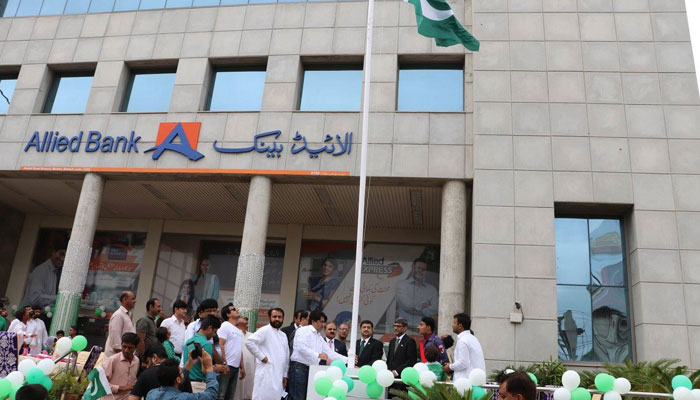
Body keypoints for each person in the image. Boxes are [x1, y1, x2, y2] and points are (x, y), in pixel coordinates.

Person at [290, 310, 347, 400]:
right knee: (298, 397)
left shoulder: (319, 336)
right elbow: (301, 348)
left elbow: (330, 353)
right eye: (321, 321)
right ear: (313, 321)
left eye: (324, 322)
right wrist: (318, 355)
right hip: (299, 368)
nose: (323, 324)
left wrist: (348, 360)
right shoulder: (303, 330)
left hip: (311, 369)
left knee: (306, 397)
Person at [245, 308, 289, 400]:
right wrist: (261, 357)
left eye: (279, 317)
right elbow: (249, 342)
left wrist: (285, 374)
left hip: (278, 375)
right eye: (274, 316)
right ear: (269, 318)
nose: (277, 319)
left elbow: (286, 356)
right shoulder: (265, 330)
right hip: (266, 372)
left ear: (283, 318)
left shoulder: (283, 335)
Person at [128, 344, 192, 400]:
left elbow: (132, 398)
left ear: (154, 358)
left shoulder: (145, 376)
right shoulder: (180, 374)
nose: (147, 367)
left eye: (147, 362)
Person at [182, 315, 226, 392]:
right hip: (199, 385)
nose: (214, 335)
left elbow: (192, 363)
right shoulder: (206, 344)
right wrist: (218, 368)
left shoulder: (189, 342)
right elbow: (205, 370)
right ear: (210, 328)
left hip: (187, 385)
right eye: (215, 331)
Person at [146, 355, 219, 400]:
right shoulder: (183, 397)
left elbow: (177, 375)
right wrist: (209, 368)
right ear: (178, 380)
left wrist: (190, 363)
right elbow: (211, 395)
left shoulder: (151, 394)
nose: (182, 372)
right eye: (181, 371)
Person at [395, 259, 438, 327]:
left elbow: (435, 310)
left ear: (426, 272)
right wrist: (424, 306)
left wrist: (413, 310)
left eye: (423, 269)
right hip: (404, 327)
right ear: (412, 269)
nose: (420, 271)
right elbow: (407, 305)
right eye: (418, 268)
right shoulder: (402, 284)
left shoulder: (432, 289)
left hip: (425, 328)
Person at [21, 245, 66, 309]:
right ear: (53, 252)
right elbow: (35, 298)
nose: (62, 259)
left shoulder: (54, 272)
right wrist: (58, 298)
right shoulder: (41, 270)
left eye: (65, 257)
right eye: (61, 254)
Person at [443, 313, 485, 380]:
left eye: (454, 323)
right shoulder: (473, 338)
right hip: (473, 380)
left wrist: (449, 367)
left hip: (465, 382)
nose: (452, 325)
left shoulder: (463, 340)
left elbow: (463, 363)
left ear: (460, 326)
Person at [217, 305, 245, 400]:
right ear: (228, 314)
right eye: (233, 309)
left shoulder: (238, 330)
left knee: (230, 396)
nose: (236, 310)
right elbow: (221, 345)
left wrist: (242, 367)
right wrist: (224, 363)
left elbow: (239, 349)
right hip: (227, 366)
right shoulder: (225, 325)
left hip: (235, 367)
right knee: (221, 395)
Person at [101, 332, 140, 400]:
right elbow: (101, 384)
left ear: (135, 347)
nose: (126, 350)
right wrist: (121, 388)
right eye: (124, 347)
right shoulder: (112, 360)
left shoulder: (136, 361)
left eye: (130, 348)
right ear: (121, 344)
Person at [386, 317, 417, 392]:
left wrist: (397, 371)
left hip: (402, 379)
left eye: (398, 326)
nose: (395, 328)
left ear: (405, 328)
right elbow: (390, 359)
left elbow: (411, 361)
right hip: (390, 379)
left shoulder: (410, 341)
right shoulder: (392, 341)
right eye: (394, 326)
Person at [105, 291, 137, 357]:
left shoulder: (128, 314)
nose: (135, 301)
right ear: (125, 299)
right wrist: (122, 357)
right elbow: (116, 340)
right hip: (116, 357)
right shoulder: (119, 315)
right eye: (133, 299)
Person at [234, 317, 254, 400]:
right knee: (237, 387)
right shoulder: (235, 333)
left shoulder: (252, 335)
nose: (247, 325)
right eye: (244, 323)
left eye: (247, 322)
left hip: (251, 365)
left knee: (249, 385)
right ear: (237, 323)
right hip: (238, 364)